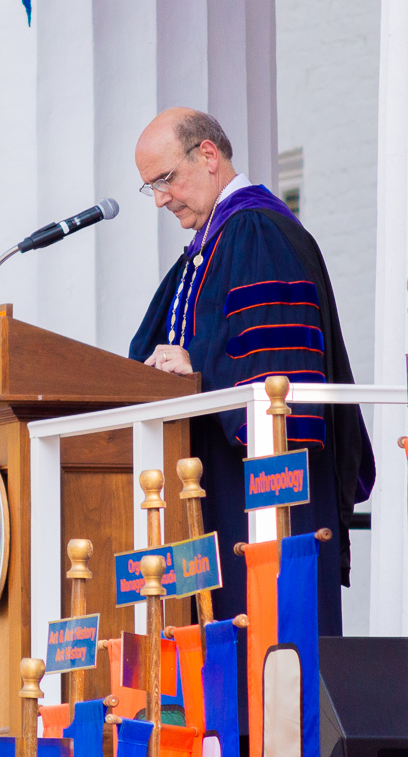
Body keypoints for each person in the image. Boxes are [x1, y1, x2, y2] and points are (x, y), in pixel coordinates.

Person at [128, 107, 373, 632]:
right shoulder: (208, 245)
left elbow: (278, 374)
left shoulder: (258, 232)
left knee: (268, 654)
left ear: (209, 156)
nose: (161, 199)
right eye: (150, 187)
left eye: (165, 180)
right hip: (213, 488)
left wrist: (198, 366)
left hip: (263, 496)